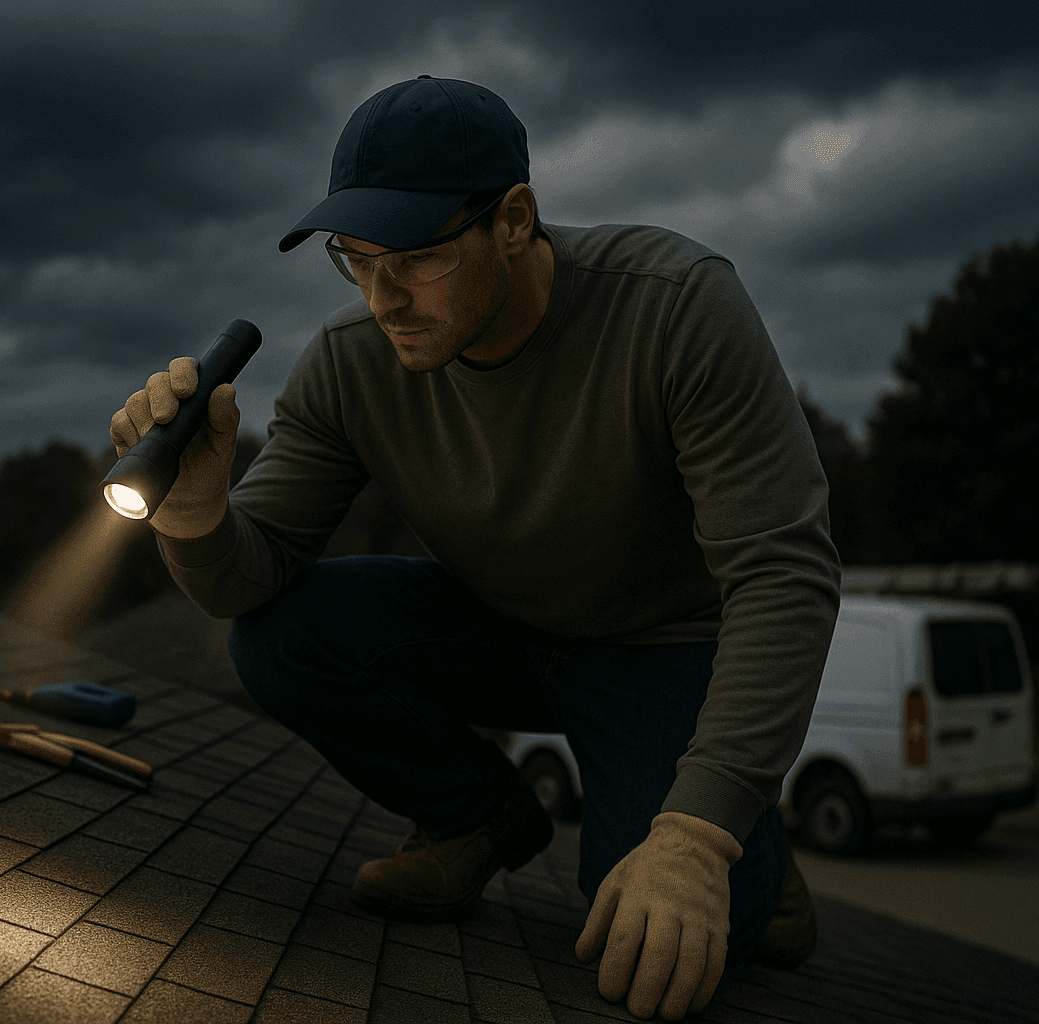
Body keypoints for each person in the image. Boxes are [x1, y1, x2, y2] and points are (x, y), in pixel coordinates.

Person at [110, 76, 839, 1021]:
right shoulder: (351, 365)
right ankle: (473, 814)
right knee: (281, 629)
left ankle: (760, 867)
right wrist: (196, 515)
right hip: (502, 626)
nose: (383, 298)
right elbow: (247, 576)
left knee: (652, 934)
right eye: (354, 260)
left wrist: (699, 837)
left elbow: (785, 573)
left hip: (661, 646)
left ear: (513, 219)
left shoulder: (674, 308)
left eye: (413, 256)